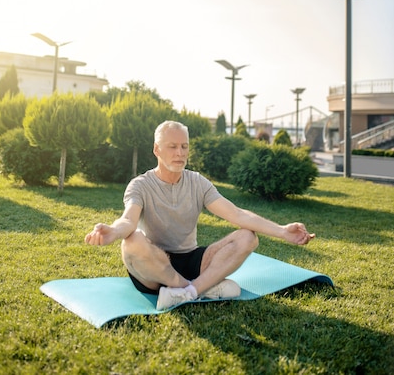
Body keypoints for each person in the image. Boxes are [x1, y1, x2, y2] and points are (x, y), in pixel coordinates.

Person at [85, 120, 315, 310]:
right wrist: (114, 232)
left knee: (248, 237)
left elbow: (235, 213)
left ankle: (189, 292)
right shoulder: (140, 185)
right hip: (154, 268)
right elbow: (128, 220)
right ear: (157, 149)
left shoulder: (197, 182)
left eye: (184, 147)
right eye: (172, 147)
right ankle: (197, 288)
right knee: (132, 240)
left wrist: (282, 231)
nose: (180, 153)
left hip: (192, 259)